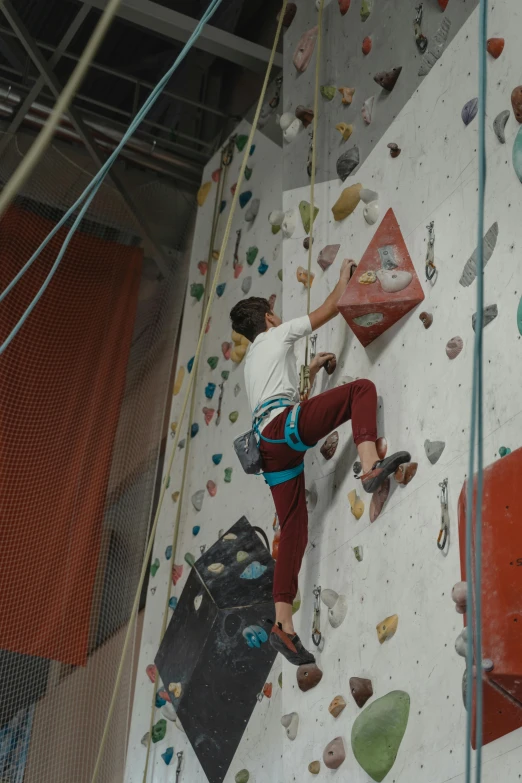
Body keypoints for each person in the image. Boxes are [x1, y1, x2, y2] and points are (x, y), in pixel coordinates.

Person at [229, 259, 411, 666]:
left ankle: (283, 624)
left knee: (293, 527)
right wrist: (344, 279)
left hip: (267, 446)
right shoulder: (279, 334)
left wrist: (308, 370)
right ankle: (369, 465)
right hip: (283, 429)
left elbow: (280, 394)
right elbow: (330, 307)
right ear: (270, 318)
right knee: (359, 390)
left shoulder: (252, 365)